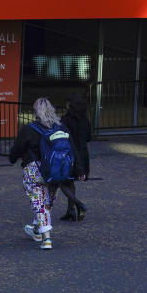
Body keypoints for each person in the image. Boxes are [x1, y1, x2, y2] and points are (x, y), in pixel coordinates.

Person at [8, 97, 82, 250]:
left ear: (35, 112)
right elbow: (73, 148)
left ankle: (46, 237)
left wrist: (12, 158)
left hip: (35, 170)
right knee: (46, 201)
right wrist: (79, 170)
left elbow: (16, 151)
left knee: (39, 201)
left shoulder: (29, 129)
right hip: (56, 170)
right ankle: (36, 230)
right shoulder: (61, 127)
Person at [60, 92, 92, 221]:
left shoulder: (66, 120)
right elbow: (88, 138)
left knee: (62, 181)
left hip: (70, 154)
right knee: (70, 182)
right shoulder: (86, 121)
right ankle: (70, 210)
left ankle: (77, 204)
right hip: (83, 154)